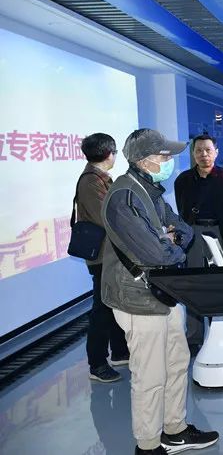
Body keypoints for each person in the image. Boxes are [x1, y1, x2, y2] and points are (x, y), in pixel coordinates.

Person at [101, 128, 219, 455]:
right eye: (164, 155)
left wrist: (170, 239)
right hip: (137, 297)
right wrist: (168, 244)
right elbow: (157, 254)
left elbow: (183, 230)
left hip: (164, 291)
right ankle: (149, 444)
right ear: (144, 160)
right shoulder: (125, 197)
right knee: (150, 375)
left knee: (177, 362)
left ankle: (174, 429)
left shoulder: (150, 191)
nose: (169, 161)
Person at [174, 134, 223, 354]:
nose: (204, 154)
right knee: (194, 284)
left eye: (208, 150)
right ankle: (194, 337)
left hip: (220, 232)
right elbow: (182, 210)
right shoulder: (183, 180)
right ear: (193, 154)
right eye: (199, 150)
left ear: (216, 152)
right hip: (193, 233)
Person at [75, 132, 129, 383]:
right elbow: (107, 217)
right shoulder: (90, 181)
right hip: (102, 257)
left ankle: (119, 352)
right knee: (102, 309)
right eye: (115, 152)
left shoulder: (100, 178)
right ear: (109, 154)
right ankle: (96, 364)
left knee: (114, 304)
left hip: (110, 254)